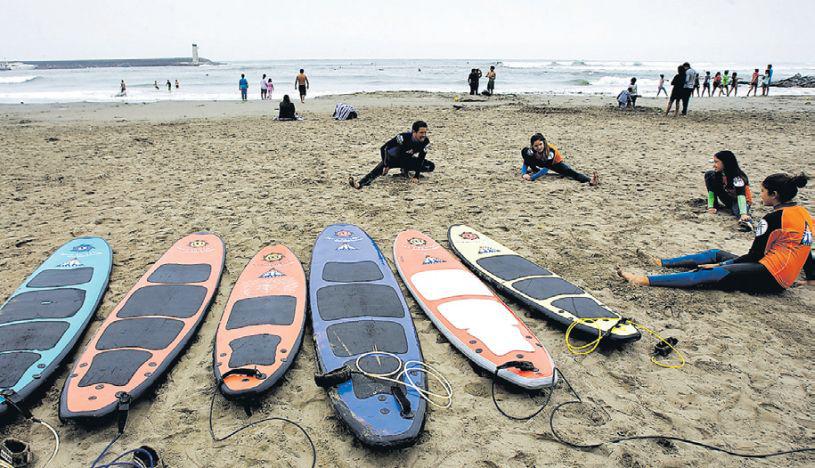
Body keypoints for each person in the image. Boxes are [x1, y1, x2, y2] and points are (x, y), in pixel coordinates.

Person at [618, 173, 814, 292]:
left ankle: (642, 280)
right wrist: (811, 278)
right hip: (776, 271)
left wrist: (722, 264)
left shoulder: (772, 219)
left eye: (763, 191)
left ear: (774, 195)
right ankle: (663, 263)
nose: (759, 194)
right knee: (714, 253)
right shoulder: (804, 213)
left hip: (771, 276)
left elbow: (755, 256)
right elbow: (807, 247)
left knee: (709, 272)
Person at [349, 121, 434, 189]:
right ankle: (359, 184)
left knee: (430, 166)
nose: (424, 135)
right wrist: (386, 165)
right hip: (392, 160)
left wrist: (416, 176)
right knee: (375, 172)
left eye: (425, 132)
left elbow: (421, 158)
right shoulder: (402, 138)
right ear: (414, 132)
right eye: (421, 132)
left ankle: (404, 170)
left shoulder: (425, 141)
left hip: (407, 160)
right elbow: (384, 148)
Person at [520, 133, 599, 186]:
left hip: (555, 164)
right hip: (542, 161)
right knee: (525, 152)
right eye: (536, 146)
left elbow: (546, 169)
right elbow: (526, 161)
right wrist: (524, 174)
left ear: (544, 143)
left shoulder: (550, 152)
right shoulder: (531, 151)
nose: (539, 147)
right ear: (532, 146)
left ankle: (590, 180)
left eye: (540, 144)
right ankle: (535, 169)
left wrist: (532, 178)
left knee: (571, 173)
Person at [705, 150, 753, 230]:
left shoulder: (738, 177)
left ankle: (747, 222)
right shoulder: (718, 174)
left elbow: (741, 196)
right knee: (709, 175)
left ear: (725, 163)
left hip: (741, 201)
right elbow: (712, 190)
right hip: (728, 197)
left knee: (737, 212)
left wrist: (743, 213)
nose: (714, 165)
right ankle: (715, 204)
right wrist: (711, 206)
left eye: (716, 162)